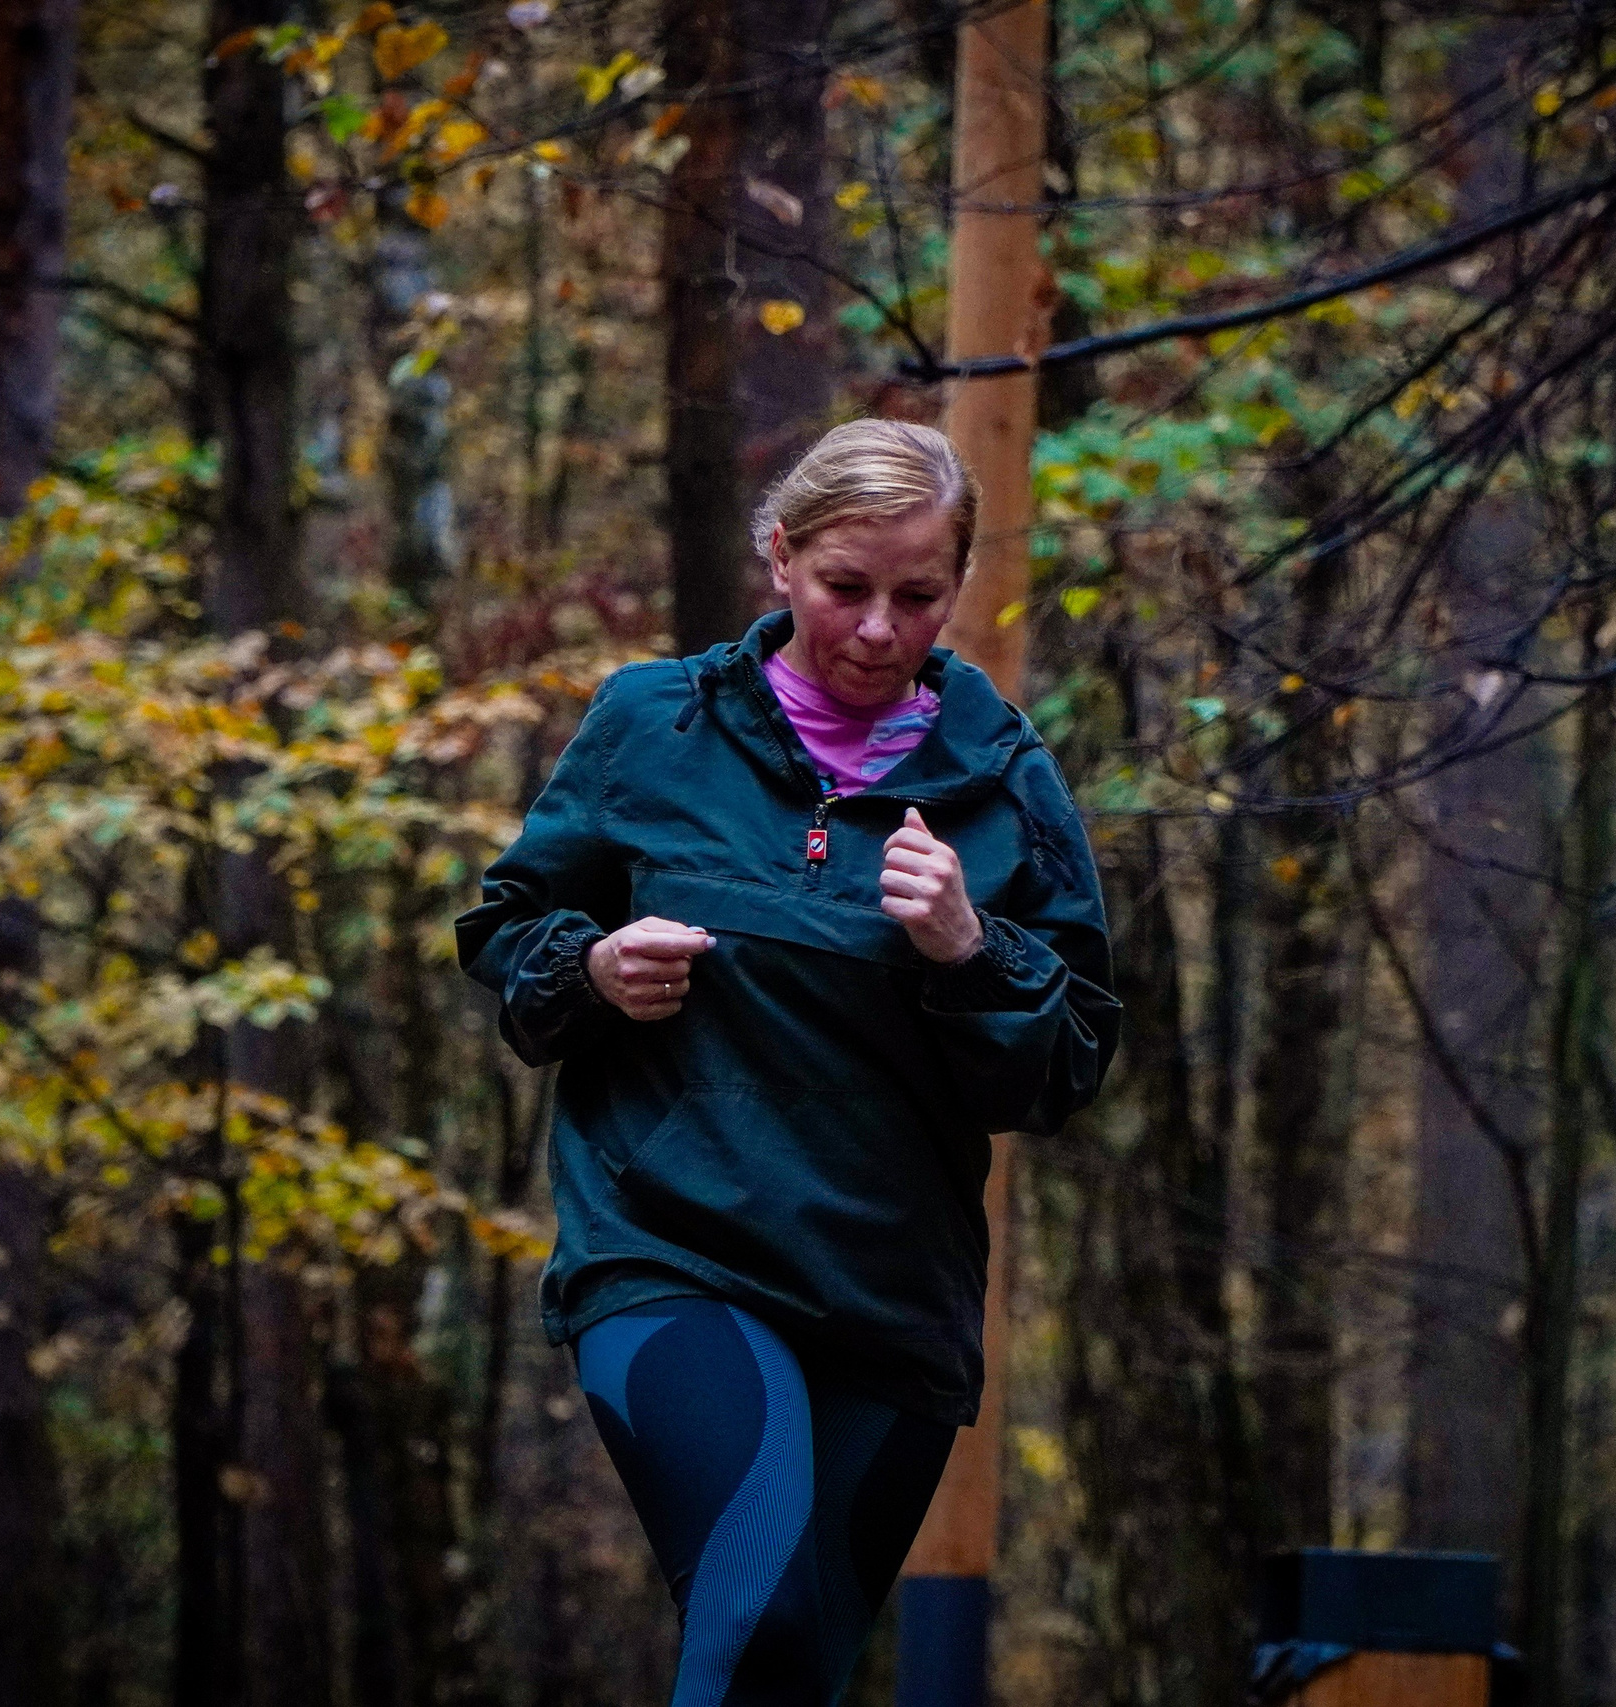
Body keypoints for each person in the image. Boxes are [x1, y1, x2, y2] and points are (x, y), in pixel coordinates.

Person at [456, 419, 1120, 1704]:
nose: (879, 628)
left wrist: (968, 948)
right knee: (753, 1610)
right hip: (673, 1249)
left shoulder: (1003, 786)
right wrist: (591, 971)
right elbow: (506, 931)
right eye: (847, 589)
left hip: (886, 1294)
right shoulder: (654, 723)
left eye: (918, 597)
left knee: (794, 1671)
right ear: (781, 561)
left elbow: (1068, 1063)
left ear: (957, 587)